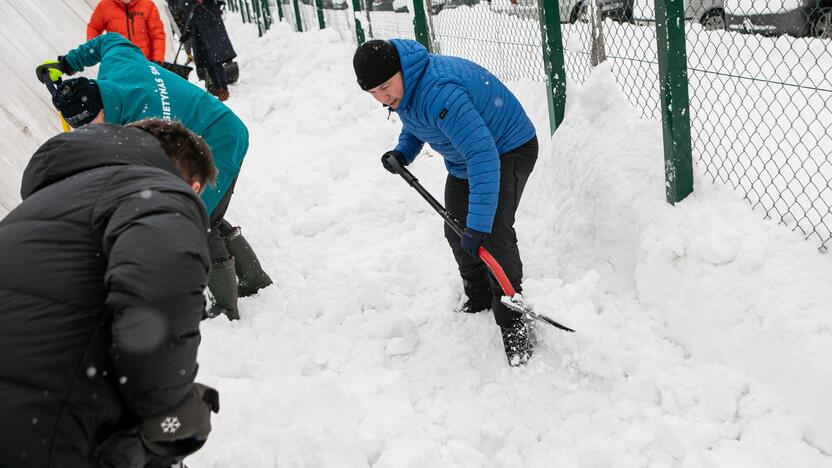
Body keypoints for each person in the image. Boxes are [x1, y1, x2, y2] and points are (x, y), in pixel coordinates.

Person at [0, 121, 219, 467]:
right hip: (40, 430)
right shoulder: (157, 192)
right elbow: (157, 288)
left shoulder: (43, 204)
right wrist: (171, 411)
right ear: (192, 186)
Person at [35, 32, 272, 320]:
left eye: (91, 125)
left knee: (196, 219)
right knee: (206, 213)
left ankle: (225, 308)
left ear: (101, 109)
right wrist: (67, 63)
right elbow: (109, 39)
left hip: (220, 141)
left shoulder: (143, 123)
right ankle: (254, 280)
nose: (90, 133)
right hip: (203, 129)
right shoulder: (117, 65)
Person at [353, 39, 539, 366]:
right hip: (466, 158)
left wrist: (479, 225)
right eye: (373, 93)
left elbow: (484, 157)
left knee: (493, 234)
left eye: (385, 87)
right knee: (456, 230)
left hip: (508, 148)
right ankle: (478, 294)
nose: (383, 98)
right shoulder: (404, 91)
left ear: (401, 71)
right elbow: (417, 122)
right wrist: (403, 152)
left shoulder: (440, 92)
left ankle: (514, 320)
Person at [178, 0, 238, 101]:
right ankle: (217, 88)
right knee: (206, 60)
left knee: (215, 58)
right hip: (197, 27)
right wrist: (187, 30)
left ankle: (223, 88)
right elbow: (186, 9)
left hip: (209, 22)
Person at [88, 0, 167, 63]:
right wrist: (96, 50)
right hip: (115, 62)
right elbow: (94, 28)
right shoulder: (105, 6)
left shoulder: (147, 5)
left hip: (142, 62)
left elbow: (157, 34)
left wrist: (157, 59)